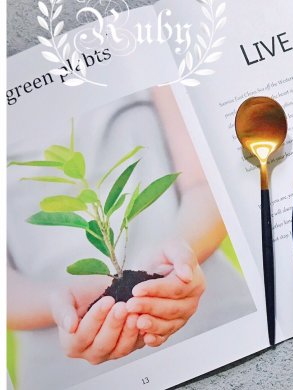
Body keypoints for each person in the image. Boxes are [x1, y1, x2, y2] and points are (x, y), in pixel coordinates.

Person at [7, 86, 255, 389]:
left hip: (212, 319)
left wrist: (181, 254)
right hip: (65, 369)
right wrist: (58, 304)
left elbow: (204, 181)